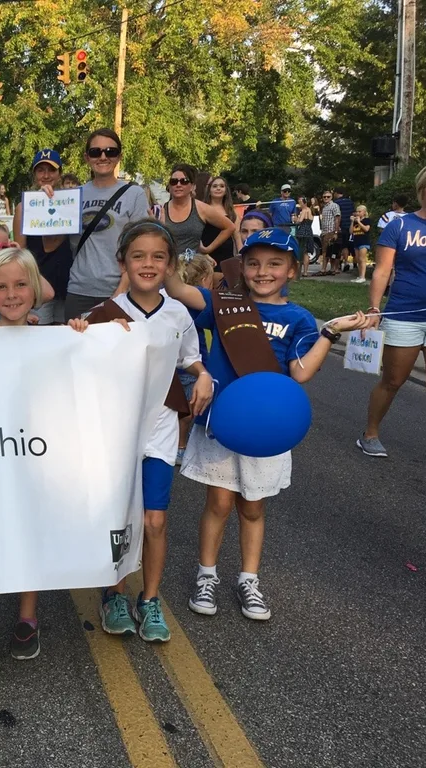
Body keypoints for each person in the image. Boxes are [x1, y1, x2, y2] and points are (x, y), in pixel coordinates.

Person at [165, 229, 369, 620]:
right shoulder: (225, 303)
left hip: (266, 430)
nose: (262, 272)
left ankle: (248, 579)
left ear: (292, 270)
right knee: (218, 503)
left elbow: (301, 372)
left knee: (253, 507)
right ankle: (206, 575)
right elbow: (176, 289)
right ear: (242, 267)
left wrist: (329, 332)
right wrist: (167, 243)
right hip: (223, 423)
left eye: (275, 264)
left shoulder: (298, 318)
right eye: (254, 263)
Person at [0, 246, 90, 662]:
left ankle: (27, 615)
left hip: (35, 458)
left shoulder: (54, 340)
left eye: (21, 285)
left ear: (35, 289)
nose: (12, 294)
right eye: (1, 287)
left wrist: (83, 336)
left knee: (30, 531)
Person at [93, 221, 213, 643]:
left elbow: (190, 358)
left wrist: (202, 375)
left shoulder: (177, 313)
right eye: (138, 256)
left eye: (158, 257)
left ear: (169, 264)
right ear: (122, 262)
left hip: (160, 428)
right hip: (117, 432)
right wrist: (78, 333)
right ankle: (114, 595)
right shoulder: (102, 315)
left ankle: (150, 598)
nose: (148, 264)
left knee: (155, 519)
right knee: (118, 518)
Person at [359, 163, 426, 459]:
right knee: (393, 381)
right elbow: (381, 271)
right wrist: (374, 308)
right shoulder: (400, 226)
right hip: (404, 316)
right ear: (422, 190)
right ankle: (370, 433)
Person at [64, 129, 151, 321]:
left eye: (110, 151)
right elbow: (53, 238)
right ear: (87, 157)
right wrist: (45, 197)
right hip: (80, 289)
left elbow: (139, 247)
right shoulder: (72, 196)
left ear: (119, 156)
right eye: (96, 152)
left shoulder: (133, 194)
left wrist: (121, 289)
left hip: (120, 290)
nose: (103, 157)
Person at [13, 149, 73, 325]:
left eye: (51, 170)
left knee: (66, 334)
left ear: (60, 173)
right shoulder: (24, 207)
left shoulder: (71, 203)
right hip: (39, 285)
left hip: (69, 283)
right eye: (40, 170)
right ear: (34, 174)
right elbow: (19, 252)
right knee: (40, 333)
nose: (46, 175)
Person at [175, 251, 216, 462]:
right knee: (189, 409)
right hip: (192, 363)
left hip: (173, 362)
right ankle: (181, 446)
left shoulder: (170, 298)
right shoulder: (198, 300)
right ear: (203, 280)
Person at [160, 163, 235, 260]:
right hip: (168, 265)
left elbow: (230, 227)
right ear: (169, 186)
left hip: (193, 266)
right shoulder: (160, 210)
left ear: (192, 186)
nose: (178, 185)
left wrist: (207, 249)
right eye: (173, 181)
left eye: (184, 181)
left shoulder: (201, 208)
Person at [201, 176, 237, 268]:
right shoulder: (202, 208)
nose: (218, 188)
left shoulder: (231, 211)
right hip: (206, 253)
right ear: (209, 190)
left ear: (226, 190)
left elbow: (237, 235)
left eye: (221, 186)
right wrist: (203, 252)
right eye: (215, 186)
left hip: (226, 254)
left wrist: (241, 255)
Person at [333, 187, 356, 273]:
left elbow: (337, 216)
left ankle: (345, 262)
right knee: (353, 245)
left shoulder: (336, 203)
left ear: (336, 193)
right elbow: (354, 213)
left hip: (342, 226)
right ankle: (355, 264)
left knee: (344, 245)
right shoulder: (350, 202)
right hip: (351, 225)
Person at [319, 190, 341, 275]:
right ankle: (331, 269)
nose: (326, 198)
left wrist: (335, 232)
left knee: (328, 251)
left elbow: (337, 218)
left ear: (331, 197)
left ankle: (324, 269)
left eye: (328, 196)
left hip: (331, 231)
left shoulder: (334, 205)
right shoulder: (324, 207)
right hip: (325, 232)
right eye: (324, 197)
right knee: (328, 251)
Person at [350, 205, 372, 284]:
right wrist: (352, 222)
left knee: (362, 259)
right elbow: (351, 232)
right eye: (357, 212)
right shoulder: (355, 221)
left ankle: (363, 277)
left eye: (360, 211)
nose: (358, 213)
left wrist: (359, 222)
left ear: (364, 212)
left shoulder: (367, 220)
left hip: (364, 242)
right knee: (358, 259)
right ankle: (359, 276)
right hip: (356, 241)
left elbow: (366, 229)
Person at [294, 197, 315, 277]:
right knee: (306, 253)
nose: (299, 204)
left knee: (300, 252)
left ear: (304, 203)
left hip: (303, 232)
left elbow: (299, 221)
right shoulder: (310, 210)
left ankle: (298, 272)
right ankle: (305, 272)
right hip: (309, 231)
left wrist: (296, 219)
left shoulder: (304, 210)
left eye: (300, 202)